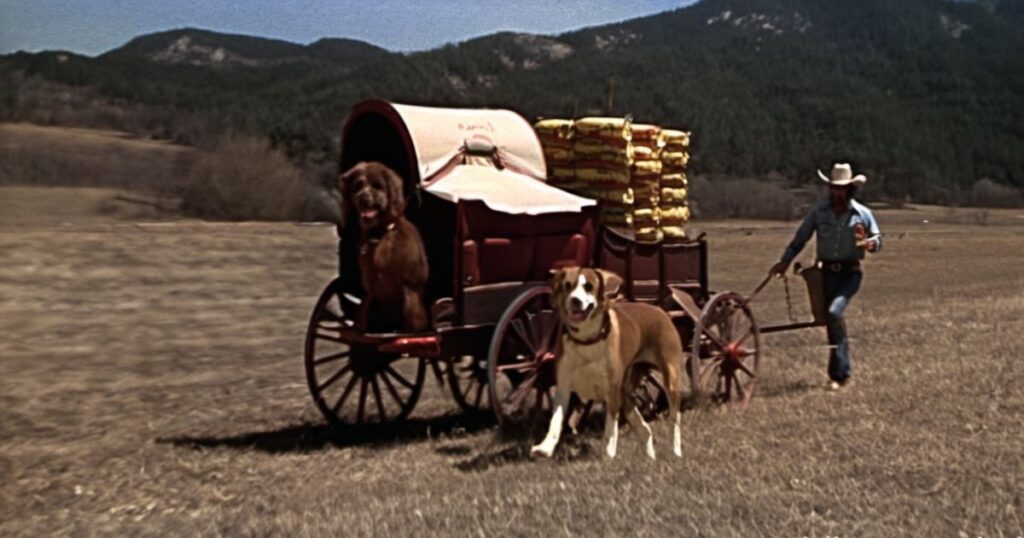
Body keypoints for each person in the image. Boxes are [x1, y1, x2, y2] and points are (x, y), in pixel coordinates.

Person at [769, 162, 883, 391]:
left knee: (834, 312)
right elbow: (801, 238)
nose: (836, 193)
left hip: (850, 273)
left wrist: (870, 243)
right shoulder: (819, 212)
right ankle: (839, 372)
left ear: (850, 189)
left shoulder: (862, 214)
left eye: (841, 189)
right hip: (825, 274)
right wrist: (784, 261)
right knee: (830, 321)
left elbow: (877, 240)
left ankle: (840, 373)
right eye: (833, 188)